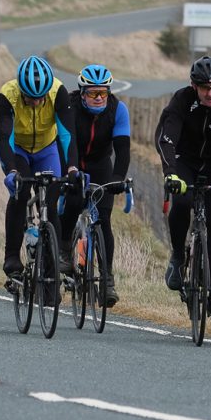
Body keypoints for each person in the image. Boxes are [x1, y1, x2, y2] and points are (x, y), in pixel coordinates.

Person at [156, 55, 211, 316]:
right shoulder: (181, 101)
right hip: (185, 161)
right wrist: (171, 174)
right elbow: (166, 140)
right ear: (194, 86)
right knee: (182, 201)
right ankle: (178, 256)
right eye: (205, 88)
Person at [0, 55, 78, 292]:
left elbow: (67, 134)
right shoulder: (7, 95)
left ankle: (51, 276)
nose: (36, 102)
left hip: (47, 148)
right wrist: (11, 171)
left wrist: (72, 167)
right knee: (20, 193)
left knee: (50, 204)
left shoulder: (58, 92)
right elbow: (4, 137)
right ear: (21, 91)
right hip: (17, 149)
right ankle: (12, 256)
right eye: (30, 97)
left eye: (40, 97)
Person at [57, 63, 131, 306]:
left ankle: (107, 280)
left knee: (104, 220)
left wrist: (118, 177)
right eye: (92, 93)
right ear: (82, 93)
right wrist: (71, 170)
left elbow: (123, 149)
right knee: (74, 200)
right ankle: (64, 249)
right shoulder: (71, 106)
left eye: (103, 92)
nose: (99, 98)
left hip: (100, 165)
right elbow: (69, 141)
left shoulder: (118, 109)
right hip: (72, 160)